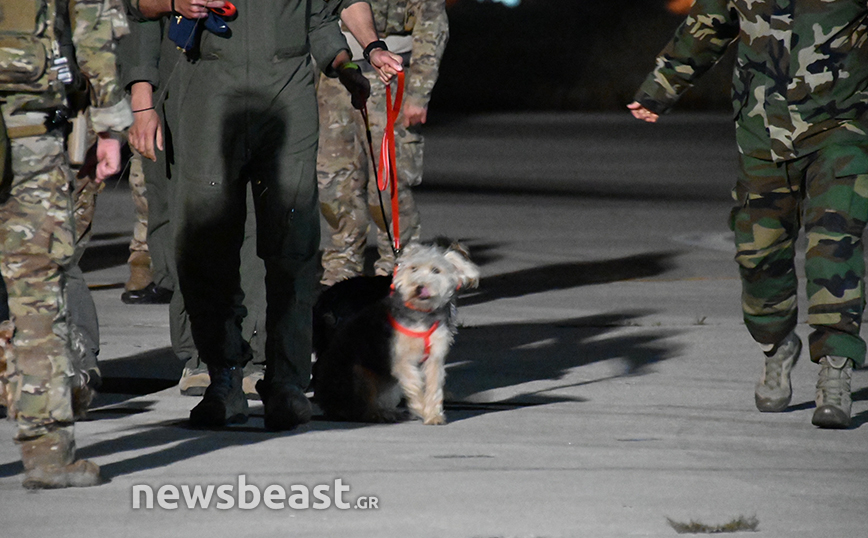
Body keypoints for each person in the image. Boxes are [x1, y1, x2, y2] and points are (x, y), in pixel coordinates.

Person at [128, 0, 403, 430]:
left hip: (287, 90)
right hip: (208, 89)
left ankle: (286, 382)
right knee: (205, 243)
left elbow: (322, 14)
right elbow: (139, 9)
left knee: (294, 242)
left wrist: (354, 61)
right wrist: (142, 100)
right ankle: (223, 377)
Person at [630, 0, 868, 429]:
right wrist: (662, 86)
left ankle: (835, 370)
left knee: (836, 241)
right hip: (762, 131)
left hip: (843, 126)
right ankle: (776, 344)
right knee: (759, 254)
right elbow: (709, 22)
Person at [0, 0, 131, 488]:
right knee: (37, 294)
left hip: (30, 130)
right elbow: (94, 30)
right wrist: (110, 126)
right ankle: (47, 454)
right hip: (27, 134)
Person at [317, 0, 449, 285]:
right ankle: (342, 272)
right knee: (335, 181)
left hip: (389, 77)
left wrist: (419, 92)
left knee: (390, 185)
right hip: (333, 79)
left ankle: (398, 271)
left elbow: (431, 24)